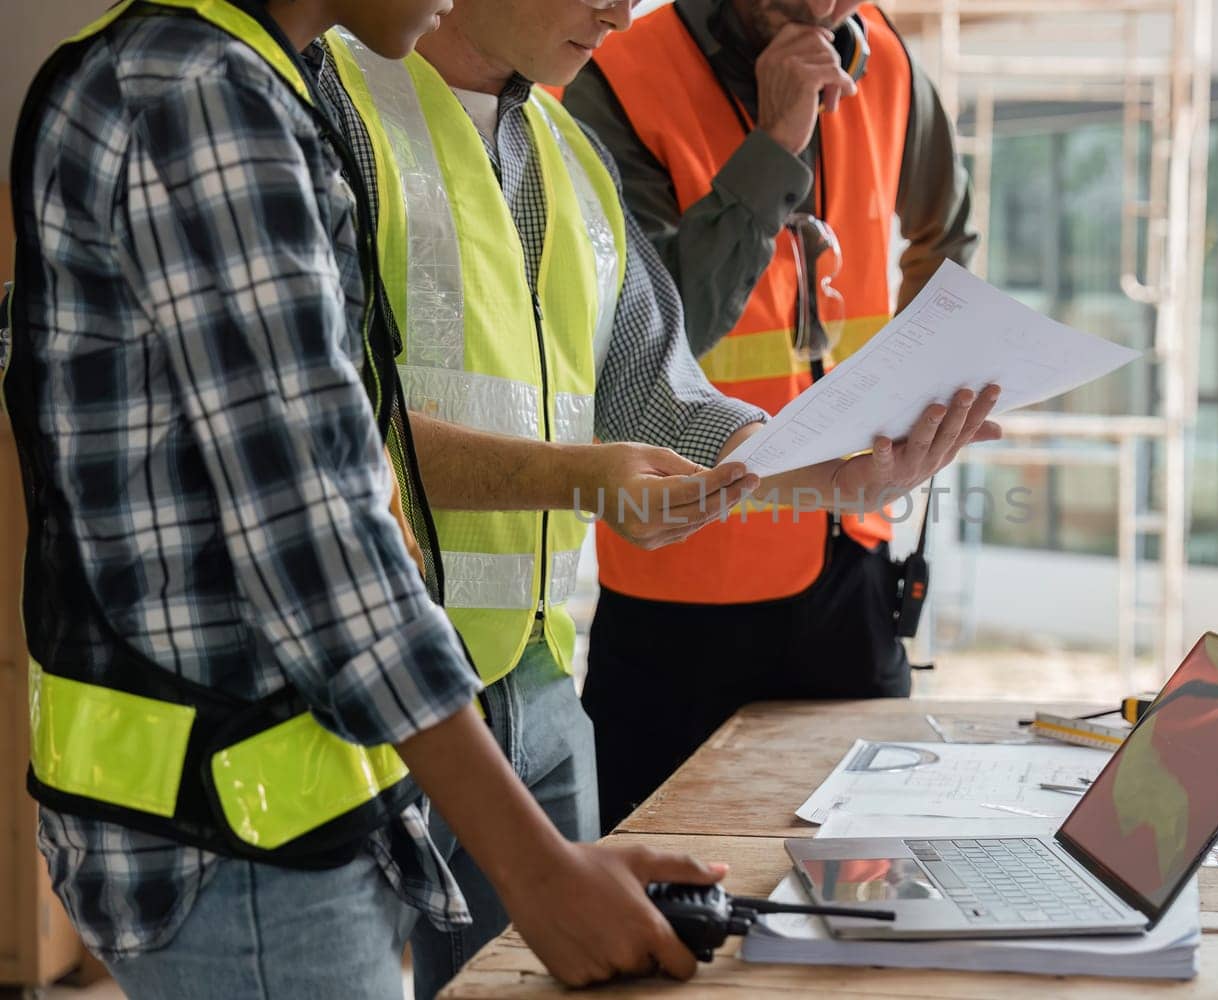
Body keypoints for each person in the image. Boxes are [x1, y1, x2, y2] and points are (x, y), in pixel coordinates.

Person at [3, 0, 724, 995]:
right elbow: (320, 538)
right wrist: (538, 868)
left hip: (307, 789)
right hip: (237, 822)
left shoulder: (251, 83)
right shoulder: (199, 96)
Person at [311, 0, 998, 993]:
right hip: (353, 696)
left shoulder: (559, 148)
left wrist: (831, 473)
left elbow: (653, 393)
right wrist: (579, 476)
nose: (622, 6)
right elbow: (312, 435)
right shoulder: (320, 108)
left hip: (531, 690)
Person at [563, 0, 980, 831]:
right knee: (663, 903)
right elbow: (658, 328)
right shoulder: (612, 80)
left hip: (855, 568)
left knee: (864, 882)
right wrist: (777, 144)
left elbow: (949, 235)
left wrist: (920, 388)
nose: (826, 12)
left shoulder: (885, 59)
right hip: (683, 585)